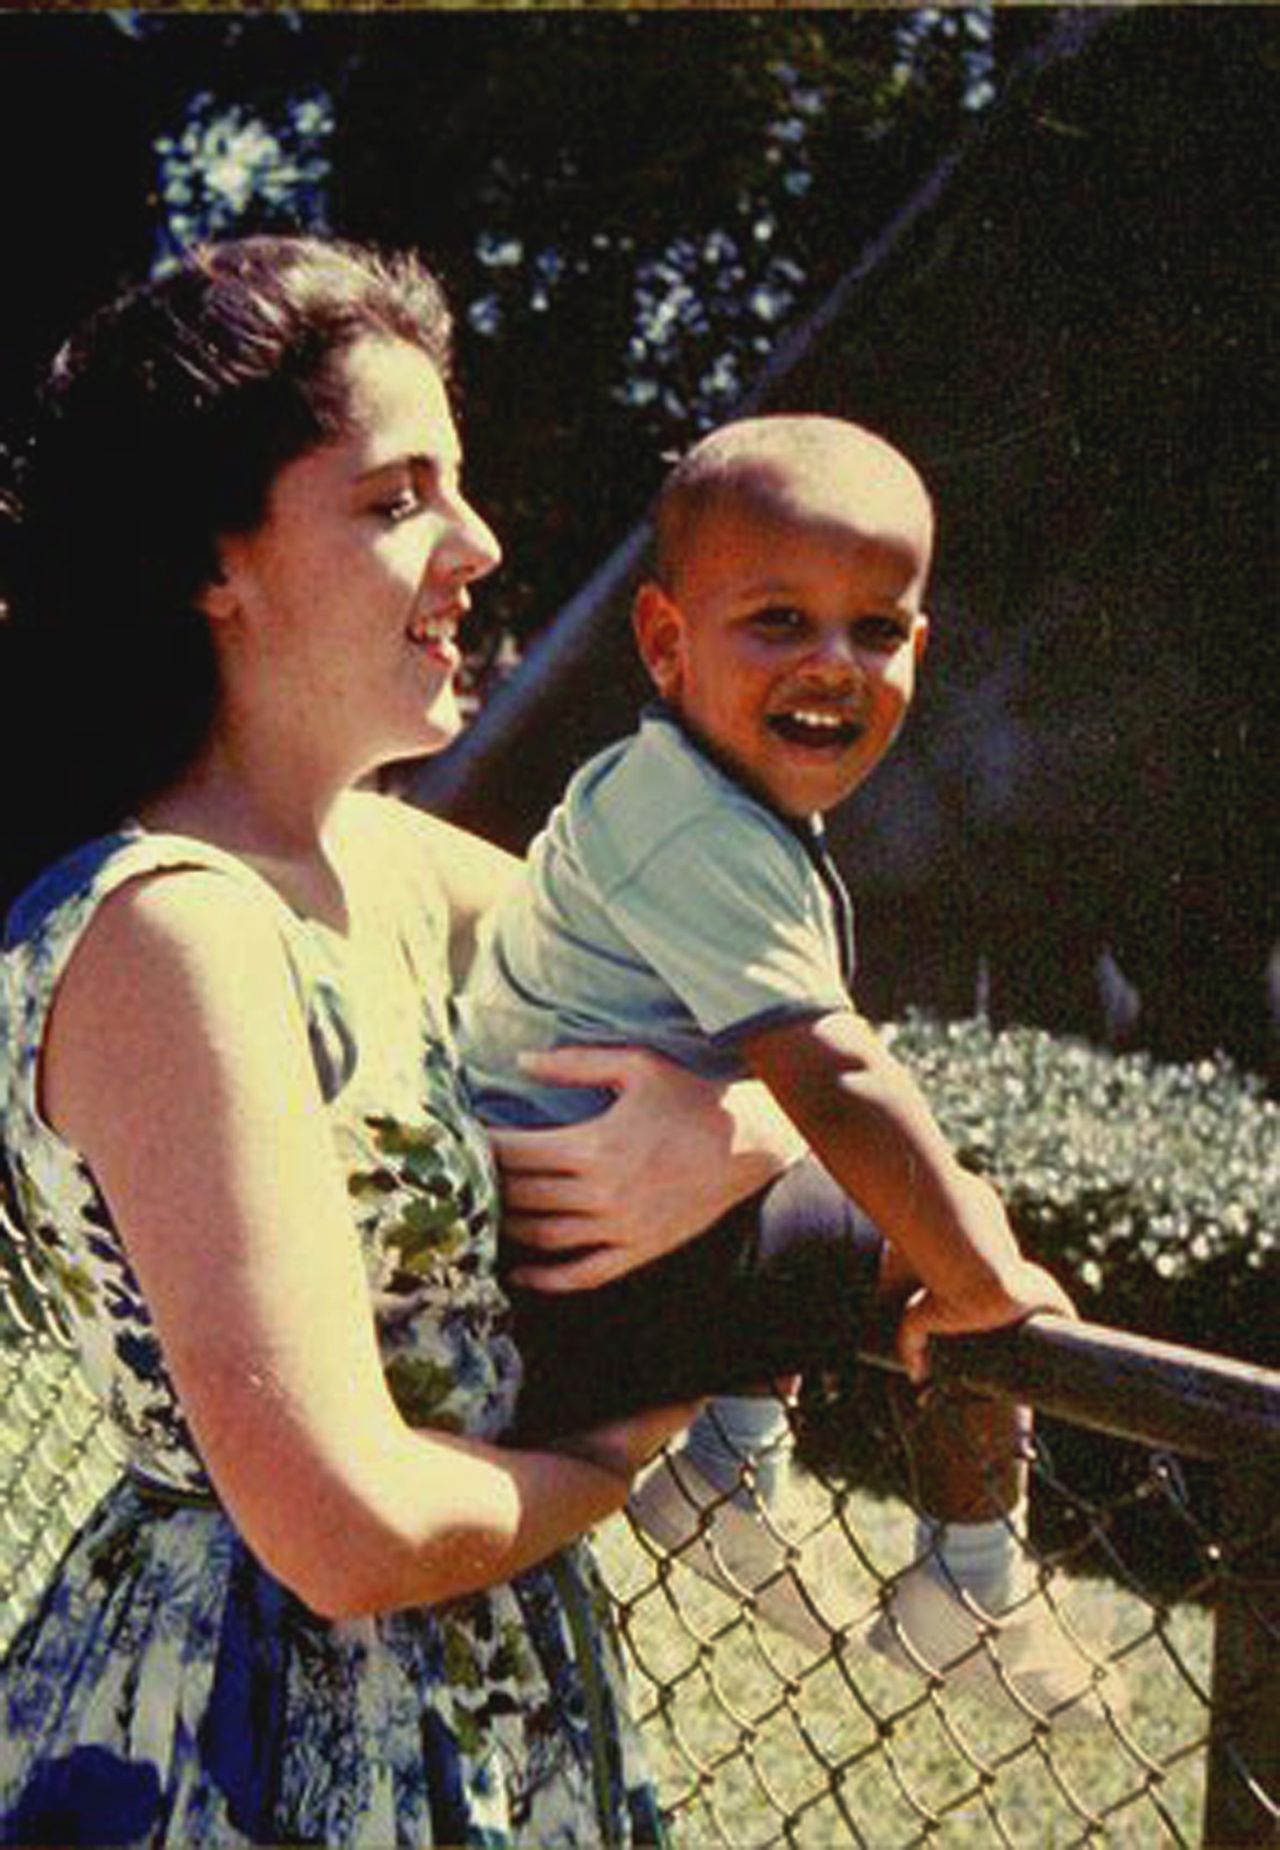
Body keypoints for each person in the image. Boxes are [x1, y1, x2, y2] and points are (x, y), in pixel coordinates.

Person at [0, 236, 806, 1847]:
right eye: (395, 500)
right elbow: (346, 1528)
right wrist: (620, 1441)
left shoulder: (386, 862)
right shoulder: (178, 931)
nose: (479, 542)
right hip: (250, 1737)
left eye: (459, 484)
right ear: (209, 563)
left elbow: (792, 1021)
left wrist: (731, 1133)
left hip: (492, 1693)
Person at [458, 415, 1117, 1719]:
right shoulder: (700, 829)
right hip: (580, 1272)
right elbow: (838, 1079)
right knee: (942, 1214)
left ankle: (731, 1456)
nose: (835, 662)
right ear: (663, 641)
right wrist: (986, 1281)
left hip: (561, 1252)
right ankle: (969, 1591)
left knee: (818, 1172)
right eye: (778, 620)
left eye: (876, 629)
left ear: (918, 651)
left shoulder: (679, 794)